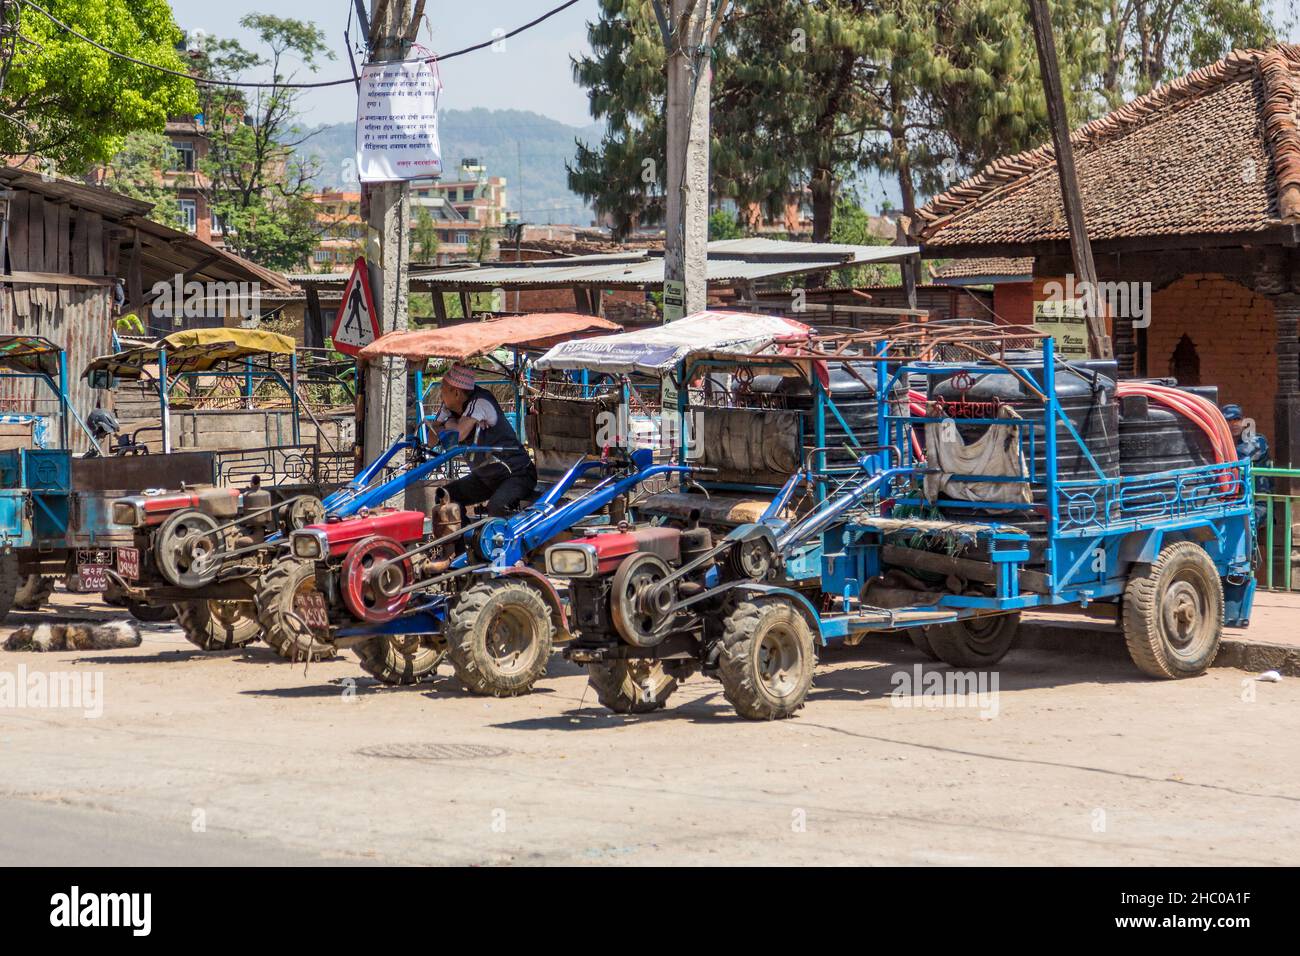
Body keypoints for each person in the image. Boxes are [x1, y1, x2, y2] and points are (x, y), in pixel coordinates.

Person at [435, 362, 536, 517]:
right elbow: (430, 436)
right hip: (487, 477)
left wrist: (447, 422)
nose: (440, 394)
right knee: (445, 495)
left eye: (442, 390)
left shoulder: (480, 401)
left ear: (456, 393)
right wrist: (449, 423)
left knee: (497, 508)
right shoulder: (448, 408)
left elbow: (458, 435)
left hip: (516, 474)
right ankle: (458, 539)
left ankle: (510, 539)